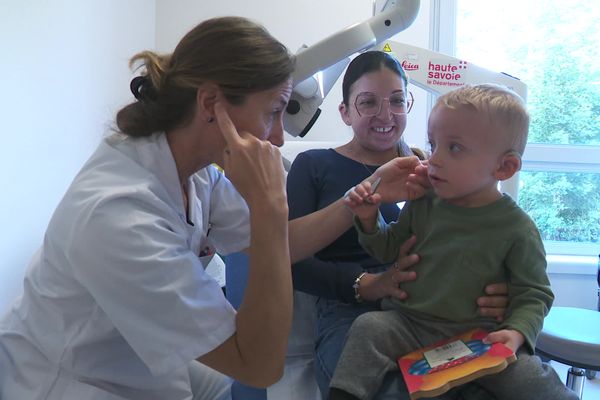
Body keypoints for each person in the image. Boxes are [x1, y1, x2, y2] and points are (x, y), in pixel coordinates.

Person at [0, 17, 426, 400]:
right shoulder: (118, 216)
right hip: (72, 381)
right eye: (273, 113)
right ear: (211, 105)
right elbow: (259, 365)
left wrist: (367, 191)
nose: (278, 137)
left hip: (141, 358)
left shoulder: (195, 168)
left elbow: (280, 244)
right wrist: (271, 205)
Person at [328, 84, 578, 400]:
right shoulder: (424, 203)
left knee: (531, 379)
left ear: (505, 167)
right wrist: (368, 218)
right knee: (368, 328)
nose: (435, 159)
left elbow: (533, 292)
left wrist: (515, 332)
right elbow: (388, 248)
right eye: (434, 145)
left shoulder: (517, 228)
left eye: (455, 148)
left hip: (479, 336)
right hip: (409, 325)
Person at [287, 51, 510, 400]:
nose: (385, 115)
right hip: (351, 313)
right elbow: (289, 261)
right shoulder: (314, 165)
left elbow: (479, 237)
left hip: (434, 307)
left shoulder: (433, 168)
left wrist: (498, 288)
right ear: (344, 112)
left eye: (395, 101)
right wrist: (368, 284)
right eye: (368, 103)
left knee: (489, 385)